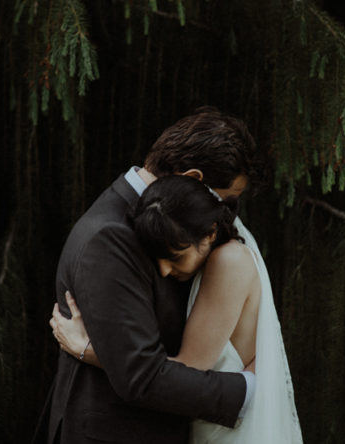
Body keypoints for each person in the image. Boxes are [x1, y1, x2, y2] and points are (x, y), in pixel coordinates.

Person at [38, 107, 263, 444]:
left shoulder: (176, 228)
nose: (226, 215)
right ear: (193, 179)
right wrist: (253, 390)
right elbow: (140, 375)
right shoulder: (111, 237)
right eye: (226, 201)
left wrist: (94, 351)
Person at [51, 175, 303, 443]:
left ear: (211, 234)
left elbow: (186, 370)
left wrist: (89, 350)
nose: (164, 269)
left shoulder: (228, 261)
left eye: (176, 257)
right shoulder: (210, 260)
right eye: (158, 257)